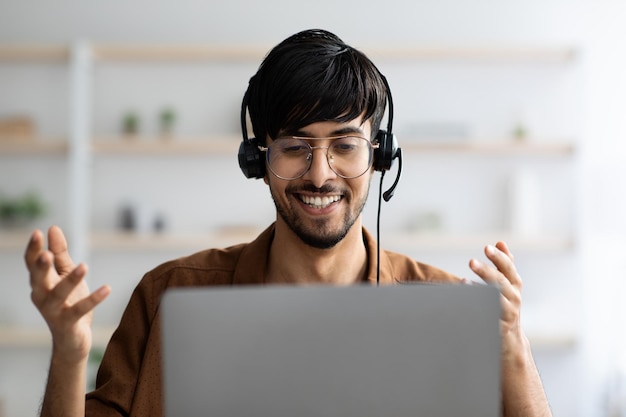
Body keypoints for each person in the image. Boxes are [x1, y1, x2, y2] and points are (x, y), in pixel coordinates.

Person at [24, 29, 552, 417]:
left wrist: (514, 349)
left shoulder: (441, 304)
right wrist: (69, 353)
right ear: (258, 159)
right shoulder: (168, 296)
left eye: (345, 146)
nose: (320, 175)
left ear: (380, 156)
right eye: (295, 147)